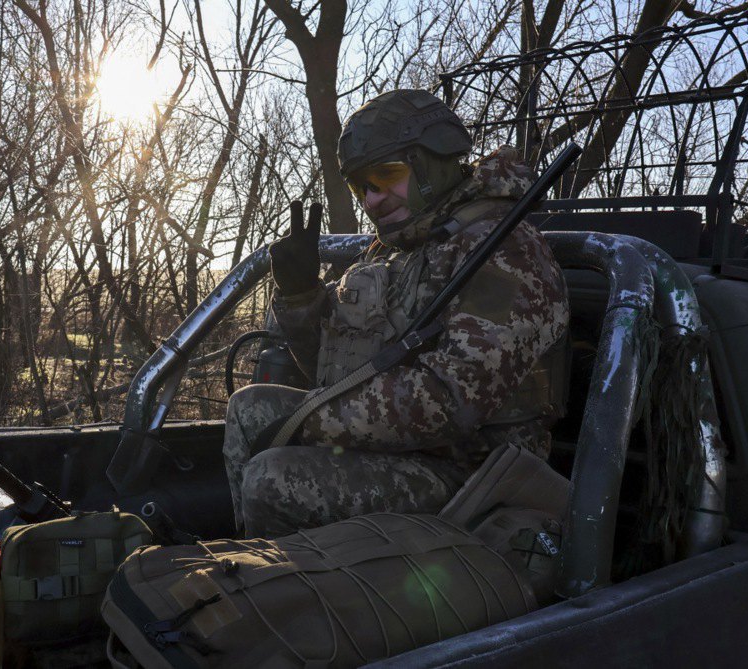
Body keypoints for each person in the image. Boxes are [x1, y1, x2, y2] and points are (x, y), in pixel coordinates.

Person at [223, 89, 569, 538]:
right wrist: (300, 300)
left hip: (473, 478)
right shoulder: (396, 250)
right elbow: (335, 373)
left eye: (388, 176)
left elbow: (448, 401)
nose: (372, 200)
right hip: (404, 454)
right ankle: (247, 567)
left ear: (436, 160)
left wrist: (311, 421)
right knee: (248, 408)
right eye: (362, 186)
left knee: (272, 477)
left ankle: (281, 592)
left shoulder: (503, 251)